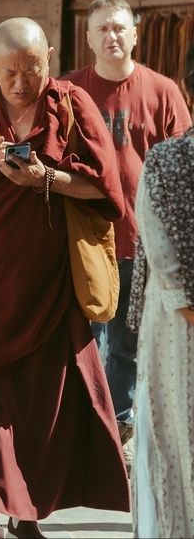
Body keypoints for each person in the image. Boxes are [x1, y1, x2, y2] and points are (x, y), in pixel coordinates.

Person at [0, 17, 129, 539]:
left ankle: (24, 515)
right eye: (9, 71)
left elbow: (106, 190)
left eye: (32, 69)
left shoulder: (71, 104)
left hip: (48, 286)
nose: (20, 82)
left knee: (44, 404)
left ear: (51, 57)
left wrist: (48, 177)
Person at [66, 0, 191, 456]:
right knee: (85, 341)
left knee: (127, 344)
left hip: (141, 241)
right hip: (84, 240)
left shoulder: (162, 91)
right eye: (102, 29)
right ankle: (87, 426)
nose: (111, 36)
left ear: (135, 34)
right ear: (88, 37)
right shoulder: (69, 91)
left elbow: (181, 168)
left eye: (119, 28)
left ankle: (118, 427)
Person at [126, 45, 194, 538]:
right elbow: (162, 253)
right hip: (177, 326)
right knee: (174, 442)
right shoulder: (171, 159)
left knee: (174, 444)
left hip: (177, 323)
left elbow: (160, 250)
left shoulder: (166, 158)